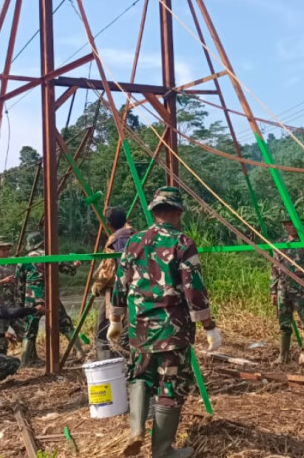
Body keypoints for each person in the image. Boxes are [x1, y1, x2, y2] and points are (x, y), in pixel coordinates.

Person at [108, 186, 220, 458]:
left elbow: (119, 285)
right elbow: (194, 290)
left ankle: (136, 430)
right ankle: (162, 450)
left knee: (141, 377)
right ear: (177, 212)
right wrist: (209, 327)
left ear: (154, 212)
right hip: (172, 330)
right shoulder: (182, 243)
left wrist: (115, 320)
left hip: (139, 330)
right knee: (171, 386)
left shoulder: (133, 242)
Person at [14, 231, 79, 367]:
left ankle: (24, 362)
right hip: (51, 297)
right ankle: (80, 352)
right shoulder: (51, 257)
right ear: (42, 243)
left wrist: (20, 305)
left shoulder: (23, 261)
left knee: (29, 330)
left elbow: (19, 284)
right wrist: (75, 265)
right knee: (65, 324)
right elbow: (70, 271)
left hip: (32, 300)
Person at [271, 216, 304, 366]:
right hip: (284, 288)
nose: (290, 227)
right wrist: (273, 291)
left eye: (292, 224)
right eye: (287, 224)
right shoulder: (280, 243)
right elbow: (274, 267)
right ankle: (283, 356)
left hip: (302, 288)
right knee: (284, 322)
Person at [93, 206, 134, 361]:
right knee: (132, 327)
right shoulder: (137, 236)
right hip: (139, 289)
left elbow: (109, 269)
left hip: (118, 289)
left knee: (104, 330)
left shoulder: (115, 239)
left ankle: (109, 363)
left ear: (109, 224)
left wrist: (98, 285)